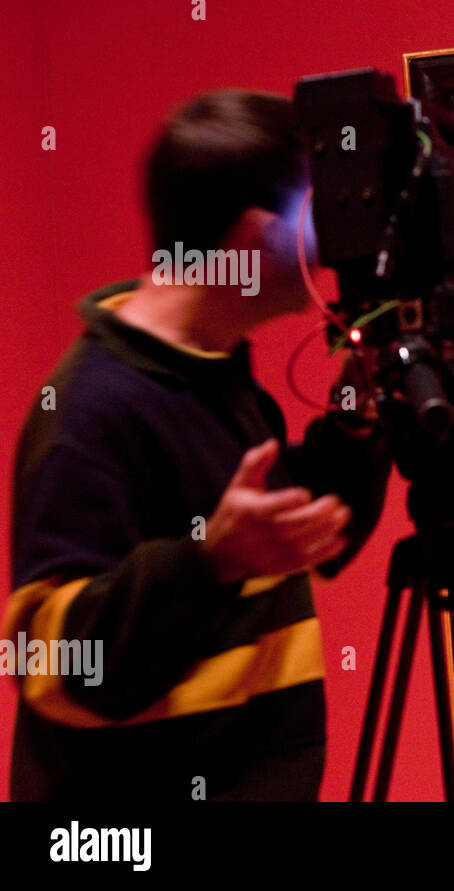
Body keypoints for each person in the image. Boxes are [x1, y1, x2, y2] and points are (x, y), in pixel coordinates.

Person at [3, 90, 393, 801]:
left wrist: (357, 413)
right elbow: (45, 661)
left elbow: (306, 535)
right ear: (254, 239)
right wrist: (209, 561)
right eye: (315, 219)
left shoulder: (218, 374)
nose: (330, 245)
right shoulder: (89, 406)